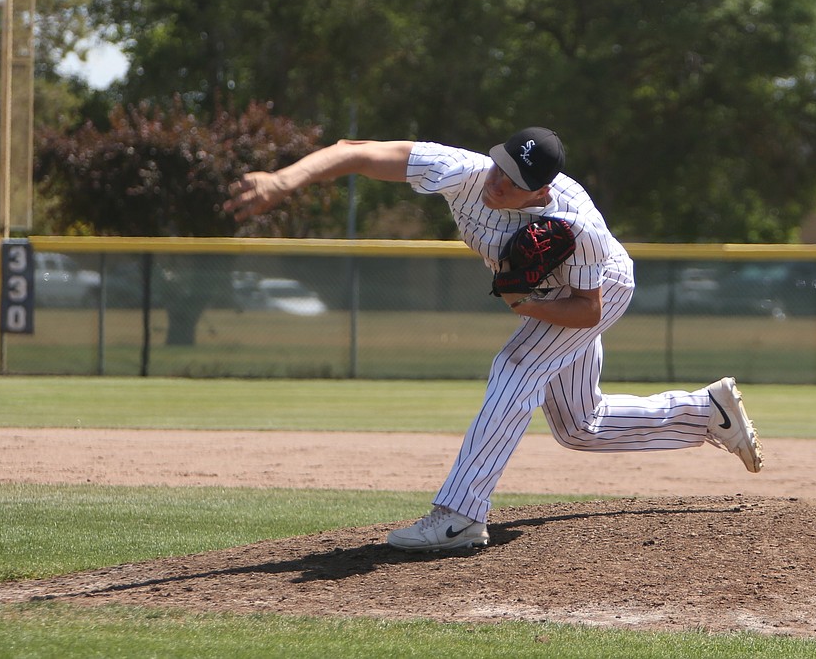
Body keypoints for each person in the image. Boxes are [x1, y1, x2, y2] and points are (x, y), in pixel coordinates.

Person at [224, 127, 764, 552]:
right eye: (500, 164)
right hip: (556, 295)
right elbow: (357, 152)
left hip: (597, 289)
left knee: (516, 366)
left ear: (542, 191)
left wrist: (523, 304)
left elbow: (587, 308)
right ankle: (705, 412)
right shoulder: (466, 171)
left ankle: (460, 517)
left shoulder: (576, 226)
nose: (496, 182)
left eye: (512, 180)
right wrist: (283, 181)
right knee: (580, 427)